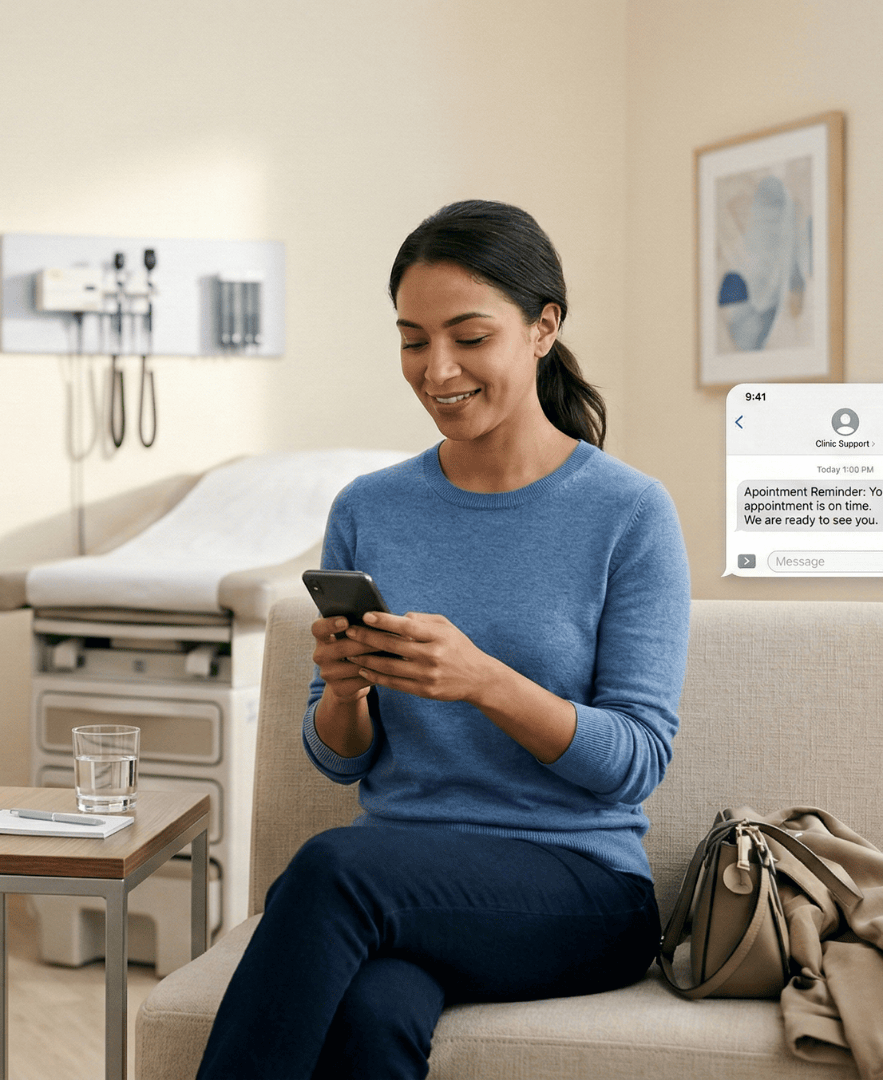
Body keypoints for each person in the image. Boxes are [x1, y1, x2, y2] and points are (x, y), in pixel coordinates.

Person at [195, 200, 691, 1079]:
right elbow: (340, 759)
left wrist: (484, 681)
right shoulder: (370, 508)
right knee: (375, 1014)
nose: (437, 369)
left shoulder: (628, 512)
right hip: (404, 886)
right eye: (413, 340)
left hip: (577, 888)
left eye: (468, 336)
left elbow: (638, 759)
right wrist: (346, 693)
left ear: (543, 329)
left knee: (329, 870)